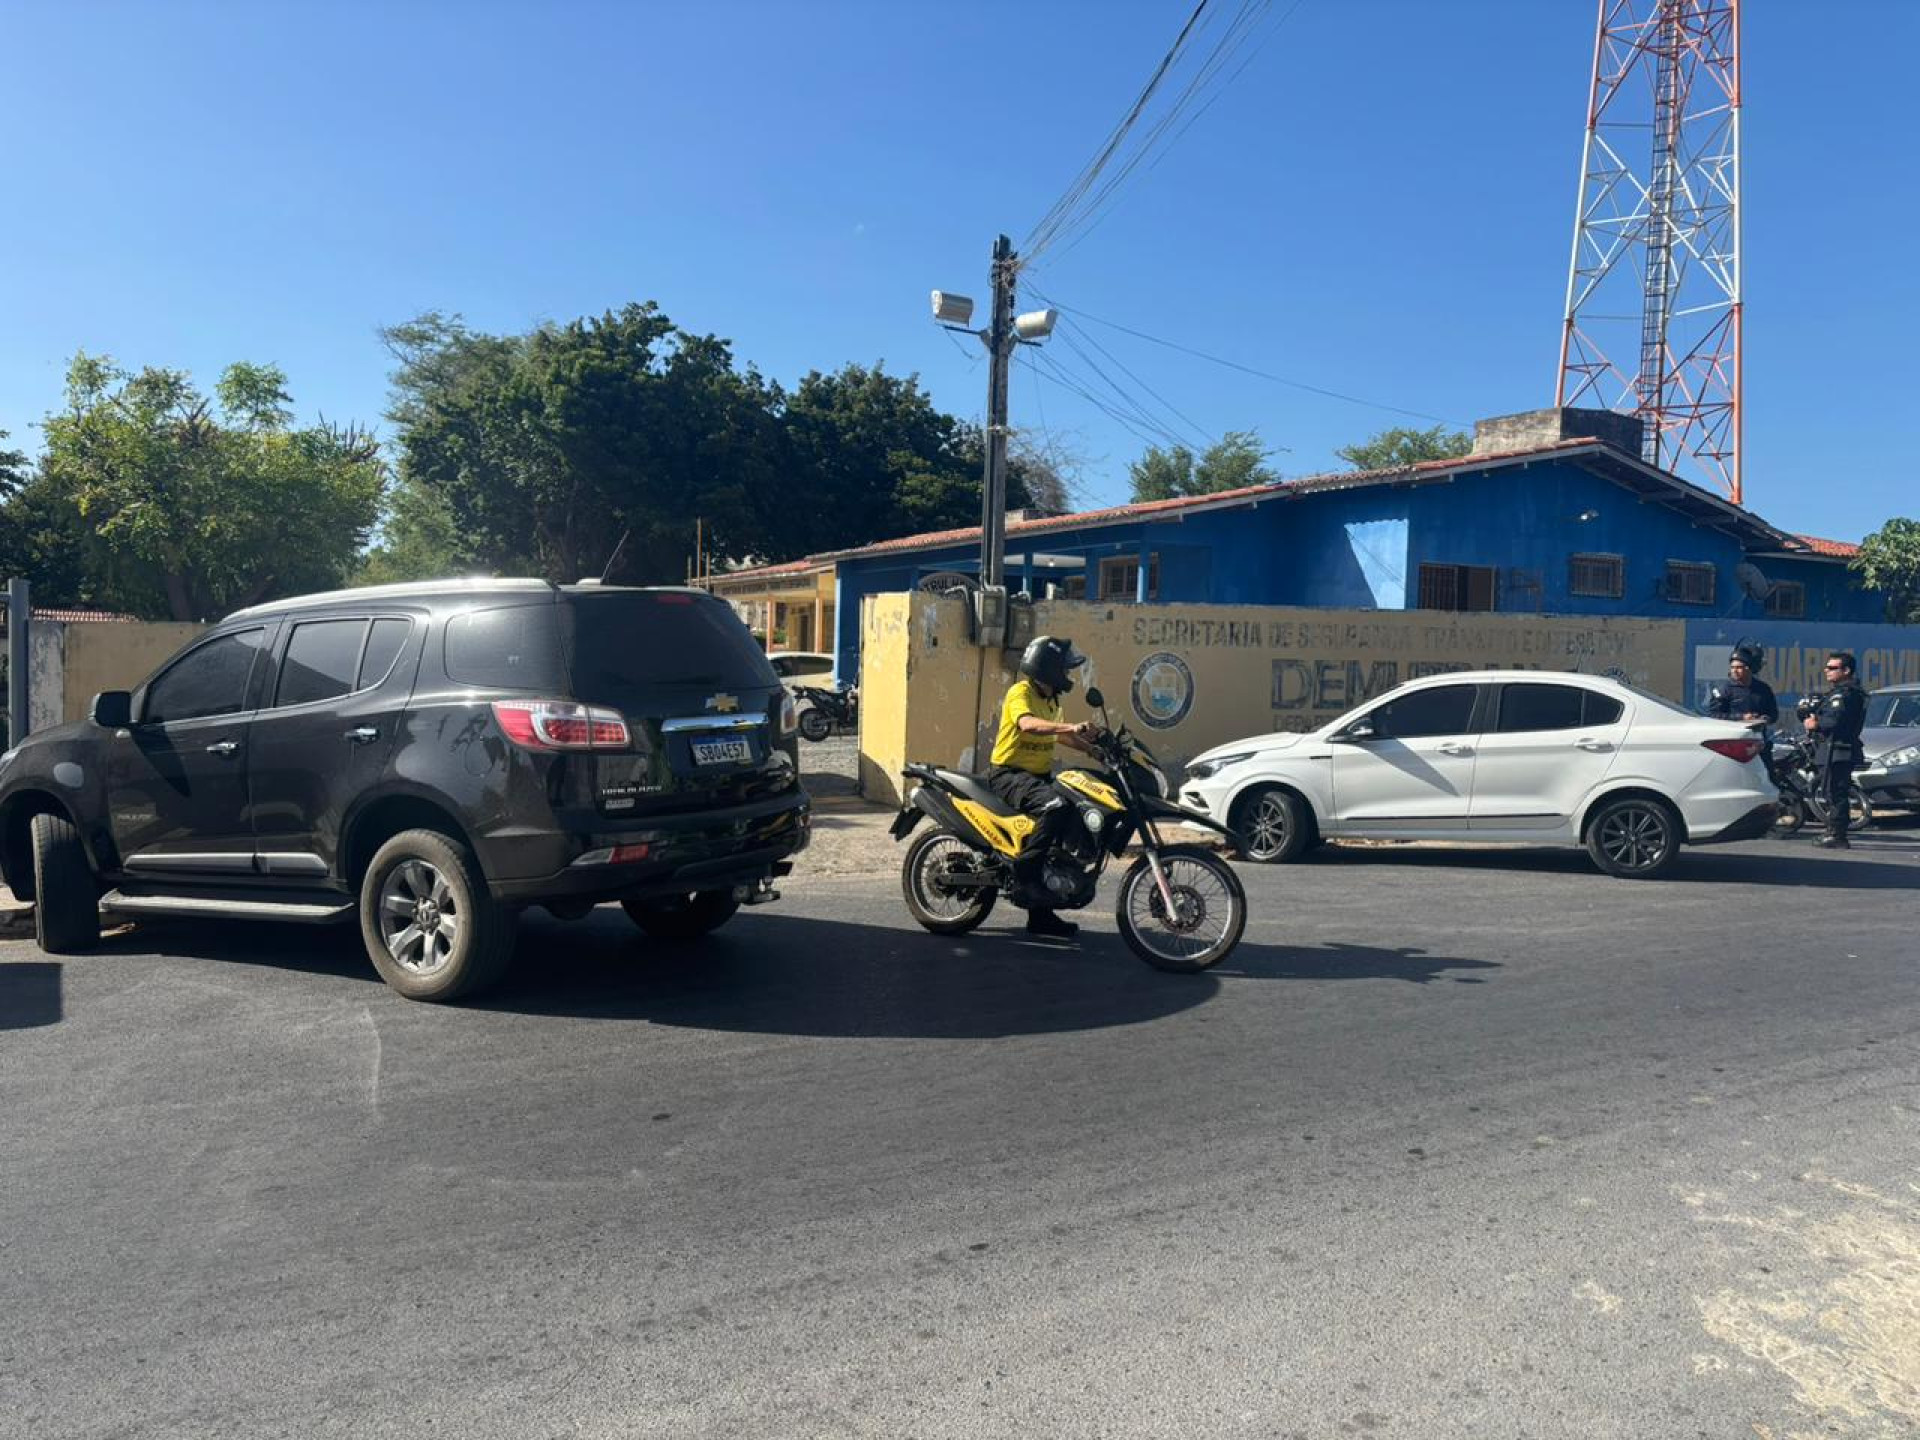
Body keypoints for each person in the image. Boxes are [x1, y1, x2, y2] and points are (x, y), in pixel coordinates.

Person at [988, 634, 1096, 940]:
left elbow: (1059, 736)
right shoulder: (1020, 692)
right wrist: (1071, 726)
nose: (1069, 675)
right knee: (1054, 806)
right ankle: (1025, 877)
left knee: (1075, 802)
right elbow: (1028, 725)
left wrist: (1094, 749)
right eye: (1064, 668)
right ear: (1048, 669)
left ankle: (1041, 915)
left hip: (1037, 776)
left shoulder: (1051, 700)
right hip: (1009, 774)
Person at [1803, 650, 1867, 849]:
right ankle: (1834, 830)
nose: (1827, 671)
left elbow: (1835, 721)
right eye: (1827, 667)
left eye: (1832, 668)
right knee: (1831, 791)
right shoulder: (1837, 693)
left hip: (1838, 749)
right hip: (1831, 748)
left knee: (1836, 792)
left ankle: (1837, 834)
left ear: (1846, 670)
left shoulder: (1846, 694)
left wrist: (1815, 723)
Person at [1706, 641, 1779, 726]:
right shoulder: (1723, 690)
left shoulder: (1763, 689)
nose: (1735, 671)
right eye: (1732, 667)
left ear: (1749, 668)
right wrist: (1741, 717)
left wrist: (1764, 719)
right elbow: (1713, 715)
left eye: (1739, 667)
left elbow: (1773, 714)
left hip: (1757, 736)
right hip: (1731, 736)